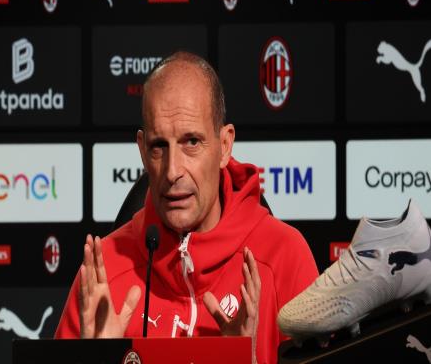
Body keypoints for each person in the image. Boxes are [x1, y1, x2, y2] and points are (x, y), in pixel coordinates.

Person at [55, 51, 318, 364]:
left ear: (224, 146)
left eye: (191, 142)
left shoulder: (284, 256)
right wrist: (97, 361)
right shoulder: (104, 273)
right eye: (158, 146)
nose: (172, 171)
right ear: (142, 151)